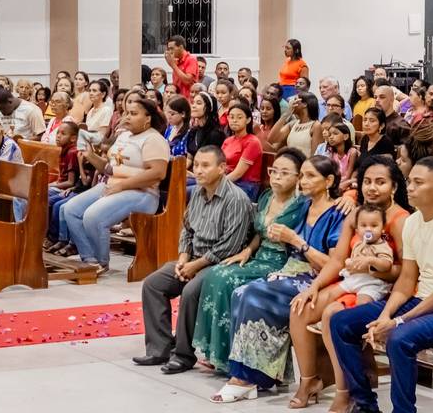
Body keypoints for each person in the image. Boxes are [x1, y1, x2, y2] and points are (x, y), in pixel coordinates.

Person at [330, 157, 433, 413]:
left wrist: (398, 322)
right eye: (409, 181)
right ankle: (365, 404)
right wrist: (385, 315)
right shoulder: (414, 221)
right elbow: (406, 280)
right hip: (422, 299)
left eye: (418, 182)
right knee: (341, 323)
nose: (410, 187)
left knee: (399, 339)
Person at [211, 156, 347, 403]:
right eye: (302, 175)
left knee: (252, 295)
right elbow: (269, 224)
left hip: (316, 277)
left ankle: (248, 377)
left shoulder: (338, 213)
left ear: (328, 181)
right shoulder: (303, 205)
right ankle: (246, 374)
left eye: (310, 176)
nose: (303, 181)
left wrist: (297, 241)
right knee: (240, 292)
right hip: (289, 270)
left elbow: (334, 265)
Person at [290, 156, 412, 413]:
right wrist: (314, 287)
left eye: (380, 182)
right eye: (367, 181)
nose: (372, 187)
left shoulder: (400, 219)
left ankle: (345, 392)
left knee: (333, 313)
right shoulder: (356, 213)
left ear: (394, 187)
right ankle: (308, 380)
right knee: (300, 307)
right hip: (353, 280)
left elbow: (406, 271)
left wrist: (371, 266)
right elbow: (337, 260)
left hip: (383, 288)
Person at [134, 146, 253, 374]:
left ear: (222, 168)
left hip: (221, 265)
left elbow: (230, 246)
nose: (198, 171)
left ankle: (183, 355)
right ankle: (159, 348)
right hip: (194, 259)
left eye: (205, 166)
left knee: (191, 291)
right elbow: (187, 229)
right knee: (153, 284)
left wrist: (195, 266)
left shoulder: (236, 199)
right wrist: (182, 259)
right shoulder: (198, 192)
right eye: (196, 165)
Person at [193, 148, 309, 374]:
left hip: (282, 262)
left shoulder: (303, 204)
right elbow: (259, 232)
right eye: (274, 171)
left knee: (228, 281)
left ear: (298, 177)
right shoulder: (266, 197)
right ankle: (218, 352)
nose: (277, 177)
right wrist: (247, 250)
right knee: (216, 274)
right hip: (259, 256)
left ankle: (236, 359)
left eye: (285, 173)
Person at [63, 98, 170, 273]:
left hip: (142, 193)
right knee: (70, 209)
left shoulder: (153, 139)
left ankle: (101, 262)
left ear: (148, 118)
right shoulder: (124, 136)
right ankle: (89, 259)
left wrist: (123, 186)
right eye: (127, 113)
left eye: (134, 114)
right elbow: (109, 168)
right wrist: (90, 155)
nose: (127, 117)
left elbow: (158, 173)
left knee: (93, 216)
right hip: (114, 185)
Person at [44, 122, 81, 253]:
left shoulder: (72, 152)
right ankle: (42, 233)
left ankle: (52, 237)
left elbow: (70, 182)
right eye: (58, 132)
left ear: (73, 138)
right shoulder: (65, 150)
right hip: (63, 187)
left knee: (48, 200)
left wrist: (50, 184)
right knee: (38, 194)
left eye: (63, 134)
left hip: (71, 189)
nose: (58, 136)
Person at [221, 102, 265, 200]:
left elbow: (238, 173)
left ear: (248, 120)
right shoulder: (228, 141)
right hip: (228, 180)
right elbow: (219, 164)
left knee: (193, 190)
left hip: (245, 185)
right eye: (231, 117)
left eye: (239, 117)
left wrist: (215, 184)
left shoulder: (252, 142)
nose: (234, 120)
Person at [268, 91, 322, 156]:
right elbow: (271, 139)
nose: (291, 103)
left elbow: (315, 155)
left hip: (305, 164)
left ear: (305, 104)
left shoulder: (316, 125)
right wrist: (286, 114)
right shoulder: (293, 124)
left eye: (295, 100)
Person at [327, 123, 358, 192]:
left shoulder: (352, 152)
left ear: (346, 136)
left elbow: (348, 176)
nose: (331, 137)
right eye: (329, 135)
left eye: (335, 134)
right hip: (334, 183)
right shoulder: (332, 152)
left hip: (347, 185)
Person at [164, 35, 198, 99]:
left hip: (188, 99)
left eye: (172, 48)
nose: (170, 51)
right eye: (168, 49)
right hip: (177, 98)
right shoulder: (176, 61)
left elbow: (188, 81)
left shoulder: (191, 59)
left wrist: (173, 65)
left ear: (181, 47)